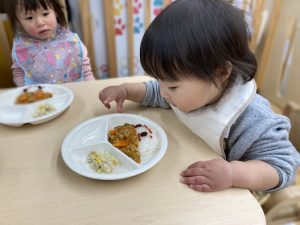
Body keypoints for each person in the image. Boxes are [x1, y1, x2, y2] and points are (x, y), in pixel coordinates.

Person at [98, 0, 300, 192]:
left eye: (173, 86)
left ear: (220, 72)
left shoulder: (252, 120)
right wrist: (125, 90)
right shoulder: (188, 92)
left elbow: (284, 167)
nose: (162, 92)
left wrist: (233, 174)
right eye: (159, 81)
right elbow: (153, 93)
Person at [5, 0, 95, 86]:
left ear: (56, 12)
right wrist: (25, 92)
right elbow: (19, 73)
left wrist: (91, 88)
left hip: (75, 92)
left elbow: (86, 71)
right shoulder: (22, 46)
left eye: (45, 14)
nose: (40, 23)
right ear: (18, 22)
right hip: (40, 96)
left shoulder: (70, 40)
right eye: (29, 18)